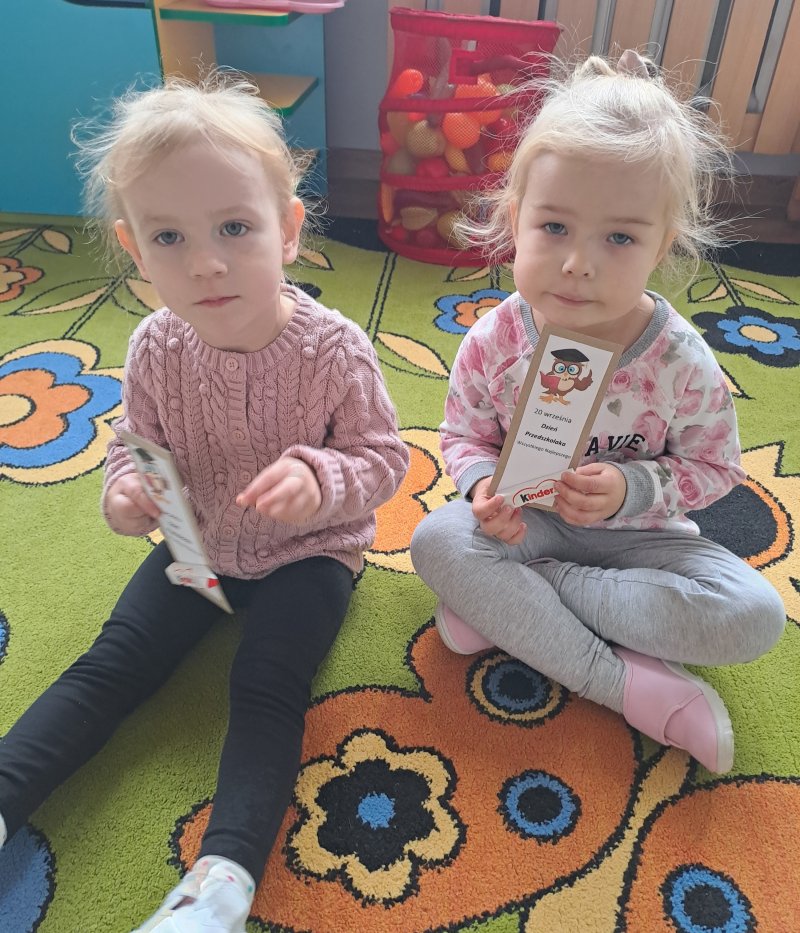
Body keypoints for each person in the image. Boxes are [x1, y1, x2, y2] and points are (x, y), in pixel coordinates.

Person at [0, 72, 409, 933]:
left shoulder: (335, 349)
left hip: (310, 554)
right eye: (169, 237)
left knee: (265, 681)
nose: (206, 263)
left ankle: (222, 879)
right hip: (197, 544)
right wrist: (126, 491)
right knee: (111, 663)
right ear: (134, 248)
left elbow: (383, 457)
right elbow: (134, 444)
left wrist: (321, 481)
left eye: (234, 227)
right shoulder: (155, 345)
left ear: (287, 229)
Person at [410, 50, 785, 777]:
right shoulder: (495, 339)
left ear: (660, 247)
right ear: (515, 220)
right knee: (436, 542)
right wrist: (483, 487)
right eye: (554, 227)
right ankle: (625, 686)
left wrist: (632, 488)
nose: (579, 263)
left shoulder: (679, 357)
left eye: (619, 238)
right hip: (528, 526)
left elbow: (716, 468)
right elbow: (462, 436)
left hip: (644, 544)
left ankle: (516, 611)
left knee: (753, 614)